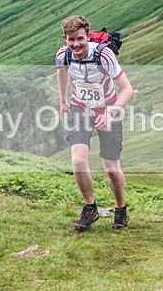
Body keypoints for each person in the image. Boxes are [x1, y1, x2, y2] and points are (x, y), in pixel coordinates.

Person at [55, 15, 134, 231]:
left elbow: (127, 90)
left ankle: (120, 210)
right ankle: (90, 209)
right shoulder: (63, 55)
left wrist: (110, 113)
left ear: (88, 36)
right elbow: (61, 72)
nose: (76, 44)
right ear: (65, 38)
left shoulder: (104, 56)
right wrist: (63, 100)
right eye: (71, 40)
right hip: (80, 109)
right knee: (78, 160)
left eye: (80, 38)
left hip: (108, 110)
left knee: (111, 167)